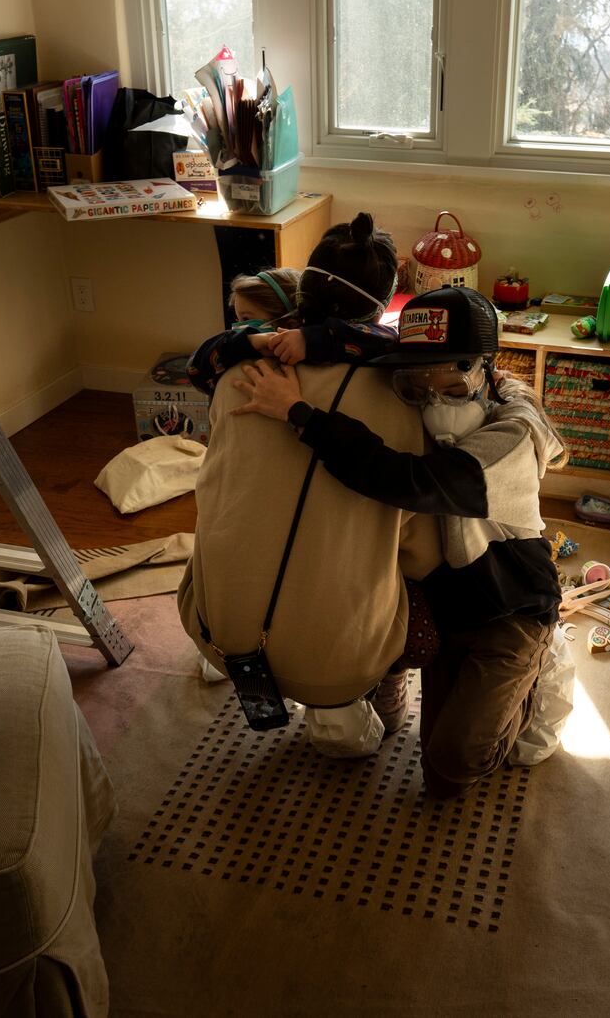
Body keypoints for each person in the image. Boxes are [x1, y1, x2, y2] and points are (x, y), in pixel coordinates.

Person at [231, 286, 567, 798]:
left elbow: (411, 481)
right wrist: (302, 339)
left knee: (453, 767)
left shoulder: (514, 434)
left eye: (451, 388)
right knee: (424, 749)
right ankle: (413, 675)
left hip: (510, 608)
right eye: (416, 389)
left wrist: (299, 413)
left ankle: (545, 662)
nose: (433, 404)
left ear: (486, 371)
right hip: (447, 606)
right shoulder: (417, 392)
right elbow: (364, 340)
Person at [177, 218, 439, 737]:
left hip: (218, 628)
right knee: (434, 556)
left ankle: (233, 665)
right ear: (384, 301)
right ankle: (363, 700)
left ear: (304, 289)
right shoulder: (403, 394)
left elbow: (214, 485)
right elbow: (422, 552)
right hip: (339, 663)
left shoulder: (237, 370)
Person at [186, 212, 400, 396]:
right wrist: (251, 341)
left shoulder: (299, 345)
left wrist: (310, 339)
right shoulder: (268, 350)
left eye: (247, 320)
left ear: (290, 322)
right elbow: (196, 367)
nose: (240, 327)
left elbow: (389, 338)